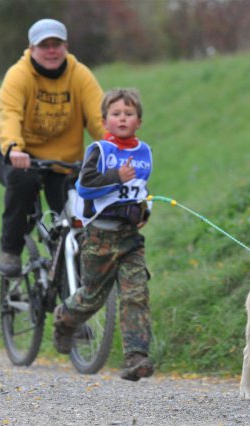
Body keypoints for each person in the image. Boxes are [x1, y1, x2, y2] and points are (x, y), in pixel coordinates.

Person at [0, 18, 105, 276]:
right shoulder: (19, 75)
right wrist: (14, 148)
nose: (51, 51)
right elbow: (9, 114)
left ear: (66, 46)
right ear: (32, 48)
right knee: (23, 183)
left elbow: (98, 117)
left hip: (61, 161)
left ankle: (69, 284)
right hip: (16, 154)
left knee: (71, 216)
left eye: (56, 44)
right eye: (44, 45)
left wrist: (116, 148)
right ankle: (10, 249)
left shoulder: (79, 75)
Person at [53, 88, 155, 381]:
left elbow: (139, 189)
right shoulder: (100, 150)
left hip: (129, 238)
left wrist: (143, 210)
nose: (122, 119)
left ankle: (136, 357)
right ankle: (65, 319)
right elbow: (86, 186)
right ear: (105, 120)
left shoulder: (144, 152)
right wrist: (115, 178)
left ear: (138, 121)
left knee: (136, 293)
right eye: (116, 114)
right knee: (93, 297)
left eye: (129, 114)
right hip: (98, 235)